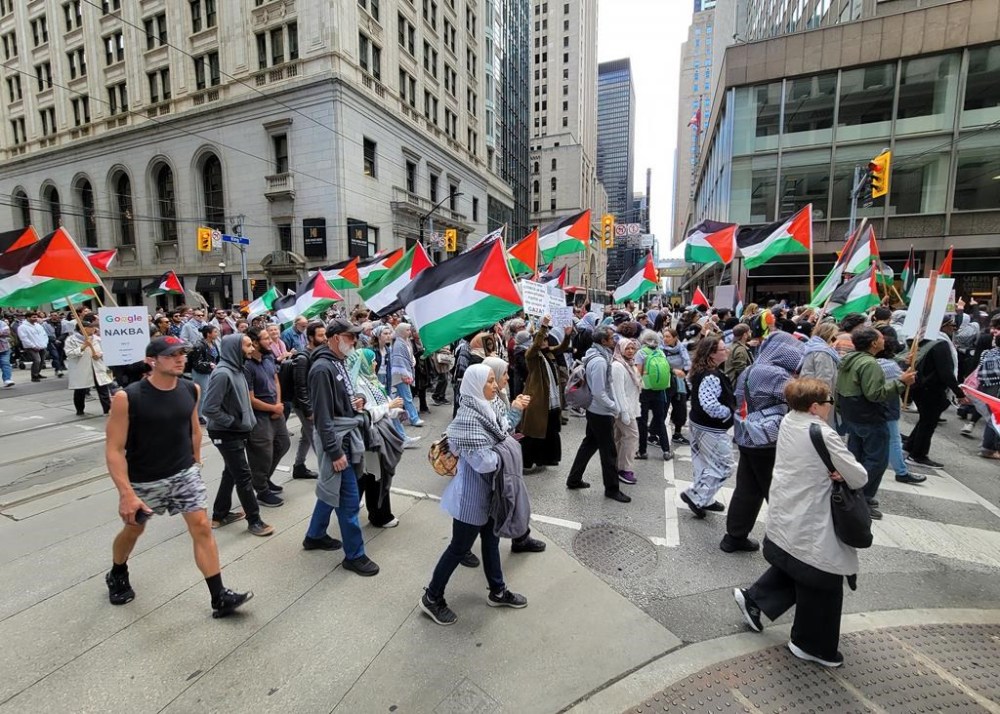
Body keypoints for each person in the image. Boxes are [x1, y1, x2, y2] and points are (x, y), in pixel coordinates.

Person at [104, 336, 252, 617]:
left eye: (183, 353)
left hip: (184, 474)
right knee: (134, 530)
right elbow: (113, 449)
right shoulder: (128, 397)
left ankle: (219, 595)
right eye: (172, 354)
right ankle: (117, 571)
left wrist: (194, 461)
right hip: (145, 480)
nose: (180, 358)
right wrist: (126, 493)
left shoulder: (190, 389)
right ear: (152, 360)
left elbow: (194, 427)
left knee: (202, 527)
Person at [733, 378, 868, 669]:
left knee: (798, 564)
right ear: (815, 406)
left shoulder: (789, 420)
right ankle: (811, 645)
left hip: (790, 507)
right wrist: (842, 474)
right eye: (829, 402)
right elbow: (859, 476)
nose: (831, 406)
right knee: (821, 578)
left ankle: (755, 600)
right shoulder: (822, 432)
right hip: (813, 514)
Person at [419, 364, 531, 626]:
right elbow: (486, 463)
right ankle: (432, 597)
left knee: (491, 542)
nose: (495, 385)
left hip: (491, 494)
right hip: (471, 499)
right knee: (458, 548)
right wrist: (505, 446)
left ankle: (498, 590)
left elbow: (502, 430)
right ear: (475, 385)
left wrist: (503, 439)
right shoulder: (467, 420)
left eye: (495, 379)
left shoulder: (487, 408)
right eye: (490, 381)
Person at [304, 318, 380, 575]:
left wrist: (354, 402)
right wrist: (334, 452)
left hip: (344, 435)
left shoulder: (335, 363)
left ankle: (314, 535)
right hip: (338, 441)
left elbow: (339, 401)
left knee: (331, 489)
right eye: (350, 337)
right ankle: (354, 555)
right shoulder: (322, 368)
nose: (354, 341)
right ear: (336, 337)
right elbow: (322, 416)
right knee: (348, 500)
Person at [725, 331, 804, 551]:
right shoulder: (775, 374)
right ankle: (787, 545)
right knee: (777, 493)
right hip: (768, 439)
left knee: (747, 489)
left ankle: (734, 536)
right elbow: (800, 400)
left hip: (747, 435)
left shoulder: (753, 368)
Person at [835, 326, 915, 520]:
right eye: (880, 338)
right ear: (873, 343)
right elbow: (875, 394)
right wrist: (901, 382)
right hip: (868, 417)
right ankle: (862, 498)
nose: (883, 341)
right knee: (876, 460)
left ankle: (855, 493)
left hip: (852, 414)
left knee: (858, 457)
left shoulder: (849, 359)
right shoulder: (869, 364)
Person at [203, 334, 275, 537]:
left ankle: (220, 514)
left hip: (235, 431)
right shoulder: (222, 374)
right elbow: (209, 408)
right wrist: (233, 423)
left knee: (231, 472)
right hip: (225, 432)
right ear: (235, 348)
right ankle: (255, 521)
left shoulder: (237, 369)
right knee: (243, 475)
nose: (252, 349)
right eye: (247, 345)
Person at [566, 325, 630, 503]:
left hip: (595, 410)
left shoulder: (597, 355)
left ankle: (574, 478)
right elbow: (599, 392)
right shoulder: (600, 361)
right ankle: (612, 489)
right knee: (609, 452)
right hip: (600, 412)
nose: (614, 340)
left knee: (589, 444)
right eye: (611, 338)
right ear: (603, 341)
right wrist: (614, 407)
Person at [349, 347, 406, 527]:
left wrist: (396, 410)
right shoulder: (358, 385)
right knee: (376, 477)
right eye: (371, 360)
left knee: (372, 475)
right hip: (371, 438)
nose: (375, 363)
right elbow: (365, 414)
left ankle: (360, 506)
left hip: (379, 433)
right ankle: (379, 516)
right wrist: (390, 406)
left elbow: (382, 404)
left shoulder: (371, 380)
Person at [680, 335, 735, 518]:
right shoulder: (712, 375)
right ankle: (697, 496)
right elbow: (710, 405)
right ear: (712, 354)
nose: (726, 351)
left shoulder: (703, 371)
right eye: (722, 349)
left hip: (700, 424)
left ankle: (705, 498)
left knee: (703, 463)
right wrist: (728, 412)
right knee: (724, 464)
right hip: (710, 428)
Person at [906, 316, 965, 469]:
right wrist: (959, 393)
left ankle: (911, 446)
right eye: (952, 324)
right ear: (942, 326)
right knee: (928, 423)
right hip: (931, 389)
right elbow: (945, 372)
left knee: (925, 420)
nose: (954, 328)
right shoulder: (941, 344)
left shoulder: (921, 340)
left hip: (919, 387)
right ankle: (918, 455)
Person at [243, 326, 291, 508]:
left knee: (283, 444)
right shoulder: (247, 366)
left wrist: (278, 405)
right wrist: (273, 408)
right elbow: (250, 399)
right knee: (262, 454)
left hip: (275, 411)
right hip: (260, 417)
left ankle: (264, 479)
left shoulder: (269, 357)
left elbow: (275, 380)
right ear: (254, 343)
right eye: (265, 338)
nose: (270, 341)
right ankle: (261, 490)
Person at [873, 326, 925, 485]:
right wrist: (909, 371)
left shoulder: (873, 363)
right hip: (888, 407)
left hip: (871, 408)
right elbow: (904, 381)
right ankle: (901, 472)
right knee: (894, 440)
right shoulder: (890, 366)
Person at [520, 318, 573, 471]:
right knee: (533, 432)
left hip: (552, 399)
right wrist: (543, 326)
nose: (544, 341)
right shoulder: (531, 355)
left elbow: (562, 347)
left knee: (549, 430)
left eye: (546, 339)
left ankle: (545, 459)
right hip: (538, 399)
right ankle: (527, 463)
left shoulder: (548, 353)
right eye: (541, 339)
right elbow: (535, 346)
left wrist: (567, 335)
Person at [286, 321, 324, 480]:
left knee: (306, 436)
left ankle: (299, 467)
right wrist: (308, 410)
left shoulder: (318, 353)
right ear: (310, 337)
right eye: (321, 335)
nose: (324, 338)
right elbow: (300, 386)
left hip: (314, 402)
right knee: (318, 439)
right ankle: (328, 474)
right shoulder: (303, 357)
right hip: (304, 406)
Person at [64, 315, 113, 416]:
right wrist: (83, 346)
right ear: (83, 329)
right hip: (81, 368)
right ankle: (79, 409)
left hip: (98, 367)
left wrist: (99, 354)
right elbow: (69, 353)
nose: (94, 329)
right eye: (91, 327)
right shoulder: (71, 340)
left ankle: (107, 409)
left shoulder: (97, 338)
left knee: (103, 388)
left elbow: (107, 349)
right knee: (80, 390)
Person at [635, 329, 672, 461]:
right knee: (660, 420)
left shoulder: (641, 353)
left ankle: (642, 451)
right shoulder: (661, 353)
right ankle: (666, 450)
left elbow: (638, 373)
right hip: (660, 390)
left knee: (643, 421)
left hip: (645, 391)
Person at [610, 338, 642, 485]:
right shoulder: (618, 366)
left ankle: (616, 465)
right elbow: (618, 391)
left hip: (630, 407)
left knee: (620, 436)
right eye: (627, 348)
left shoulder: (629, 364)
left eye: (632, 348)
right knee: (632, 436)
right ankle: (624, 469)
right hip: (624, 409)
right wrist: (624, 412)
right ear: (621, 349)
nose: (630, 351)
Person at [799, 322, 840, 427]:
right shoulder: (823, 352)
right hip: (819, 399)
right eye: (835, 337)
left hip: (809, 394)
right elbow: (824, 380)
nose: (836, 340)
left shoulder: (812, 347)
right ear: (829, 335)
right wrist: (825, 402)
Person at [662, 327, 691, 446]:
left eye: (668, 336)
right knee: (662, 408)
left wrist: (684, 372)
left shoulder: (682, 348)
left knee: (680, 408)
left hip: (680, 382)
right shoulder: (660, 350)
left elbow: (688, 363)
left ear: (675, 338)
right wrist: (673, 370)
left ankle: (677, 433)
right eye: (664, 336)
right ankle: (654, 433)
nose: (665, 339)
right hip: (665, 382)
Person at [391, 322, 424, 427]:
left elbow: (410, 356)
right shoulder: (398, 344)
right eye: (407, 330)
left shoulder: (406, 342)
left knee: (398, 398)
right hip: (401, 375)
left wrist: (413, 361)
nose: (409, 332)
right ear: (401, 331)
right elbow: (398, 360)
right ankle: (414, 418)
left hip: (405, 372)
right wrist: (404, 374)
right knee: (407, 397)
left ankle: (395, 418)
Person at [189, 324, 220, 424]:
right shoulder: (199, 345)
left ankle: (204, 412)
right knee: (202, 394)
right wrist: (209, 364)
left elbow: (217, 357)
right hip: (201, 373)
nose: (217, 333)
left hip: (210, 372)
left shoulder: (213, 344)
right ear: (208, 334)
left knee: (208, 393)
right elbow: (196, 363)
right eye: (215, 332)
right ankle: (199, 415)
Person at [17, 312, 48, 382]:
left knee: (42, 360)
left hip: (41, 345)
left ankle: (38, 373)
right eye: (33, 317)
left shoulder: (38, 326)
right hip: (30, 347)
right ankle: (34, 376)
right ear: (27, 318)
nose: (35, 318)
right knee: (37, 360)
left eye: (36, 317)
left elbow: (44, 334)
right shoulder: (22, 327)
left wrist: (45, 343)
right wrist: (33, 346)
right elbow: (24, 338)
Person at [0, 314, 13, 387]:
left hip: (4, 347)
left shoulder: (2, 323)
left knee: (5, 363)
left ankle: (7, 379)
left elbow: (7, 332)